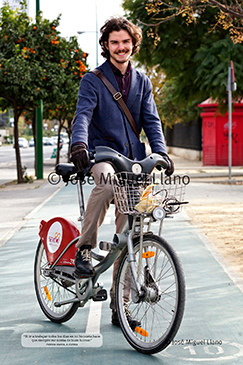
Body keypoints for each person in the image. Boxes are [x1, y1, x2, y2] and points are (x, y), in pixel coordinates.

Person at [71, 17, 174, 326]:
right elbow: (83, 115)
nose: (120, 47)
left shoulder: (142, 81)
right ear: (106, 45)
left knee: (132, 233)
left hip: (135, 162)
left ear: (133, 44)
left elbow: (152, 121)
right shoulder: (93, 80)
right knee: (104, 184)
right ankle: (85, 251)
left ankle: (121, 305)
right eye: (114, 42)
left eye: (125, 42)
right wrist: (79, 143)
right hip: (103, 154)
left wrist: (162, 153)